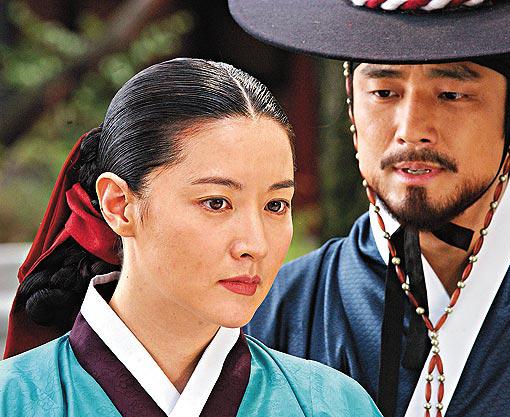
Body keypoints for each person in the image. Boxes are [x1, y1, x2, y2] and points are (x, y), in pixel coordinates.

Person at [229, 1, 510, 416]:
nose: (411, 130)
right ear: (352, 102)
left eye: (451, 94)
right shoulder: (264, 316)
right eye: (384, 93)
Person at [0, 58, 381, 417]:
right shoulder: (13, 400)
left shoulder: (334, 405)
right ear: (119, 205)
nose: (255, 245)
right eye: (216, 202)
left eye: (276, 205)